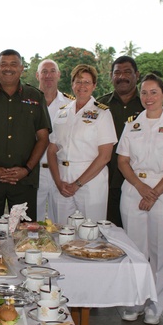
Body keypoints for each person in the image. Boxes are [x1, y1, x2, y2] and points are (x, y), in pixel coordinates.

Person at [116, 74, 163, 324]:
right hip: (134, 191)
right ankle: (136, 301)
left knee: (160, 252)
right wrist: (140, 187)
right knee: (136, 252)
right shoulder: (131, 124)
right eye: (144, 93)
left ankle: (155, 306)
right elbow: (122, 161)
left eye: (154, 92)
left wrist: (154, 192)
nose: (148, 98)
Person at [0, 49, 51, 220]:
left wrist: (26, 169)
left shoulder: (35, 96)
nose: (8, 68)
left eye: (14, 64)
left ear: (22, 69)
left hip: (24, 180)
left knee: (24, 235)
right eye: (3, 64)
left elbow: (43, 138)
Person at [47, 64, 116, 222]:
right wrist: (58, 182)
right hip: (62, 180)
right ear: (72, 84)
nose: (82, 86)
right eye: (78, 81)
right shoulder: (62, 112)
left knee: (90, 234)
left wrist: (77, 184)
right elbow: (52, 150)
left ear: (94, 86)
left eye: (87, 82)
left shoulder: (102, 113)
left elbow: (105, 156)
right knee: (62, 232)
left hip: (90, 182)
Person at [95, 56, 143, 226]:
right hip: (105, 180)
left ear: (137, 74)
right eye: (117, 73)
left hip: (138, 182)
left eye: (127, 72)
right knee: (105, 231)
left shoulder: (147, 106)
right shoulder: (100, 105)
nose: (122, 76)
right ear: (111, 76)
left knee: (137, 235)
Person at [35, 58, 73, 223]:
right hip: (34, 171)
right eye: (44, 71)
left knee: (60, 220)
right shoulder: (28, 101)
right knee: (32, 221)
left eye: (52, 71)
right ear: (37, 75)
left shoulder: (71, 104)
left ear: (58, 75)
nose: (48, 75)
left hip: (60, 171)